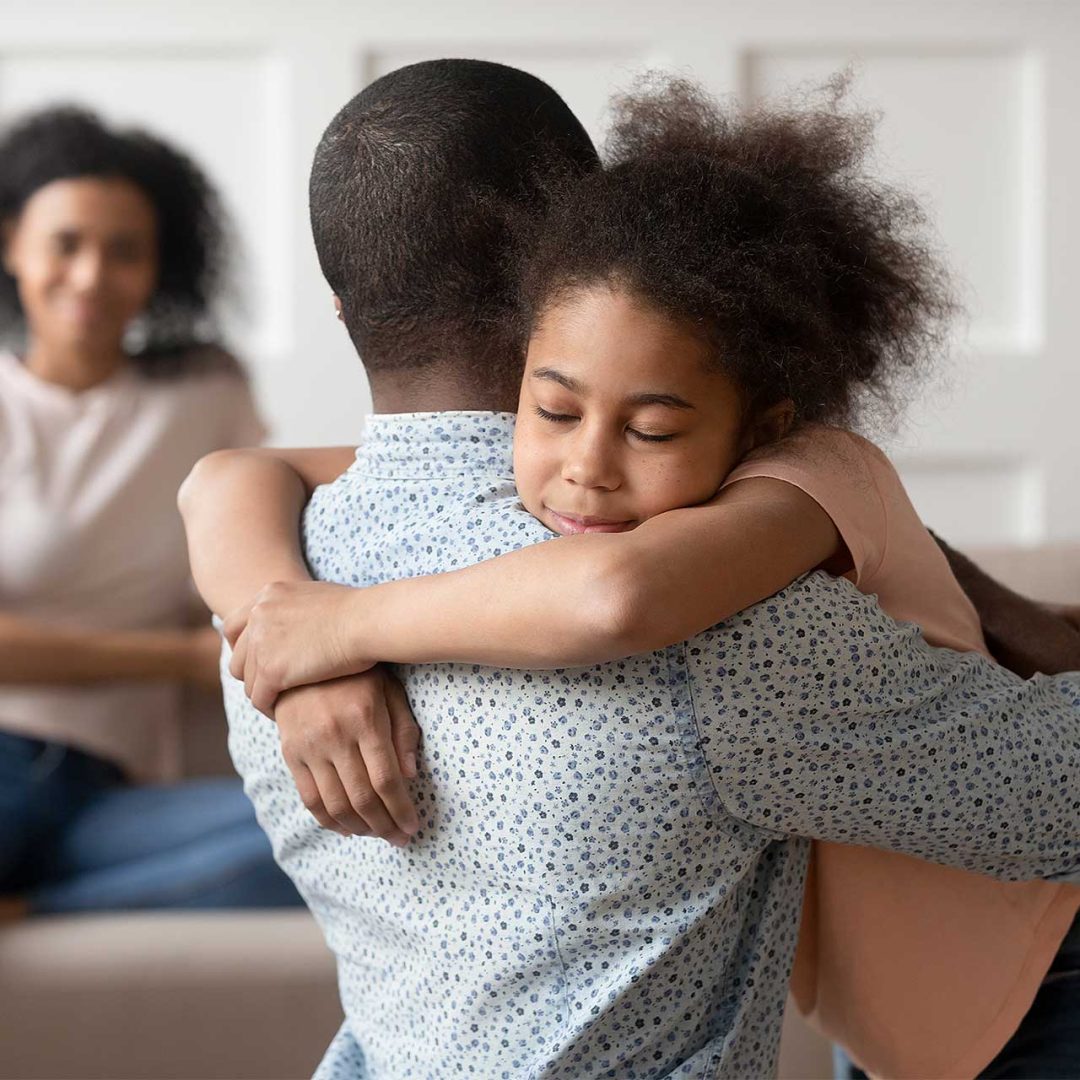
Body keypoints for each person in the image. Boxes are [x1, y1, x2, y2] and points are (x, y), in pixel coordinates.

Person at [181, 63, 1080, 1077]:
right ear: (561, 274)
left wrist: (331, 630)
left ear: (342, 310)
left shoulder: (269, 607)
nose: (597, 460)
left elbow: (232, 479)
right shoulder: (714, 623)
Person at [0, 106, 301, 915]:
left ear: (161, 266)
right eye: (67, 243)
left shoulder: (206, 392)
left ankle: (31, 901)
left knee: (332, 833)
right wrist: (173, 659)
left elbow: (272, 543)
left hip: (110, 790)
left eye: (124, 250)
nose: (93, 275)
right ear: (11, 245)